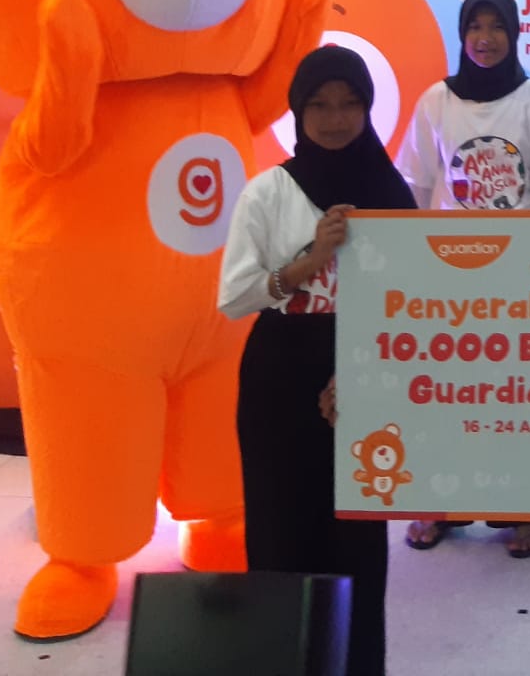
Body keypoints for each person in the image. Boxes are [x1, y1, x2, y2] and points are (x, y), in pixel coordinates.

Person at [218, 46, 417, 676]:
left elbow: (413, 304)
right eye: (320, 105)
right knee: (280, 529)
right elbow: (234, 297)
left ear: (368, 108)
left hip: (362, 380)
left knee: (356, 540)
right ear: (299, 112)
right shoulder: (268, 192)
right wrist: (311, 259)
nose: (335, 119)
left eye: (350, 103)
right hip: (279, 378)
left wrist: (363, 374)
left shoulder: (391, 192)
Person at [396, 0, 530, 556]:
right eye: (474, 27)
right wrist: (411, 265)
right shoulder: (435, 101)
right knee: (446, 396)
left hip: (518, 276)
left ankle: (524, 511)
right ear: (462, 33)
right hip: (450, 275)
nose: (485, 39)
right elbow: (417, 187)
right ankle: (439, 505)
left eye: (496, 27)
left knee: (516, 396)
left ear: (513, 34)